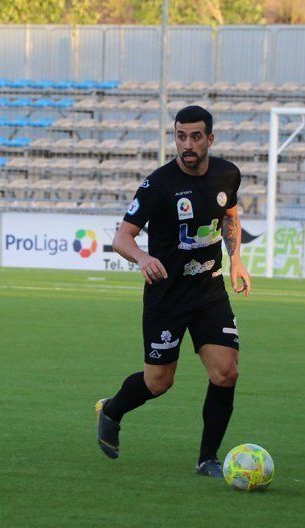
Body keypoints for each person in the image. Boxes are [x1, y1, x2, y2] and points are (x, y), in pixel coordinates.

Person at [95, 105, 251, 478]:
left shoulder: (229, 174)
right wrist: (142, 257)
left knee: (226, 372)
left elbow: (229, 216)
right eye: (181, 136)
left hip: (209, 291)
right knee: (159, 382)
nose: (187, 144)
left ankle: (207, 458)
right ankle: (113, 409)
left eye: (196, 136)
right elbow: (122, 237)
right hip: (167, 296)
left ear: (210, 139)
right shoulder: (157, 185)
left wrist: (236, 261)